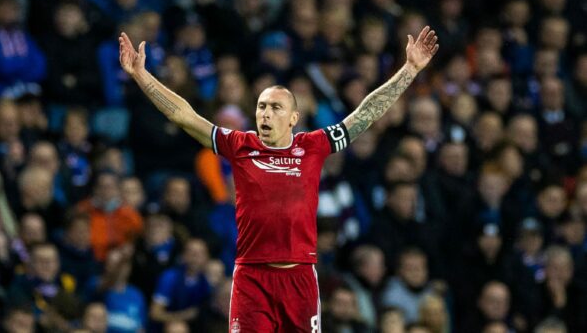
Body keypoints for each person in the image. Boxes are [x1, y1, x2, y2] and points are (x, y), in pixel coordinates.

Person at [119, 24, 439, 332]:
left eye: (275, 107)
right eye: (260, 107)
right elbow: (184, 115)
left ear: (294, 118)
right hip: (252, 279)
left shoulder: (312, 146)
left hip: (299, 279)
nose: (265, 114)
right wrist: (142, 76)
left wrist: (409, 70)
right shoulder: (240, 146)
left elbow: (365, 114)